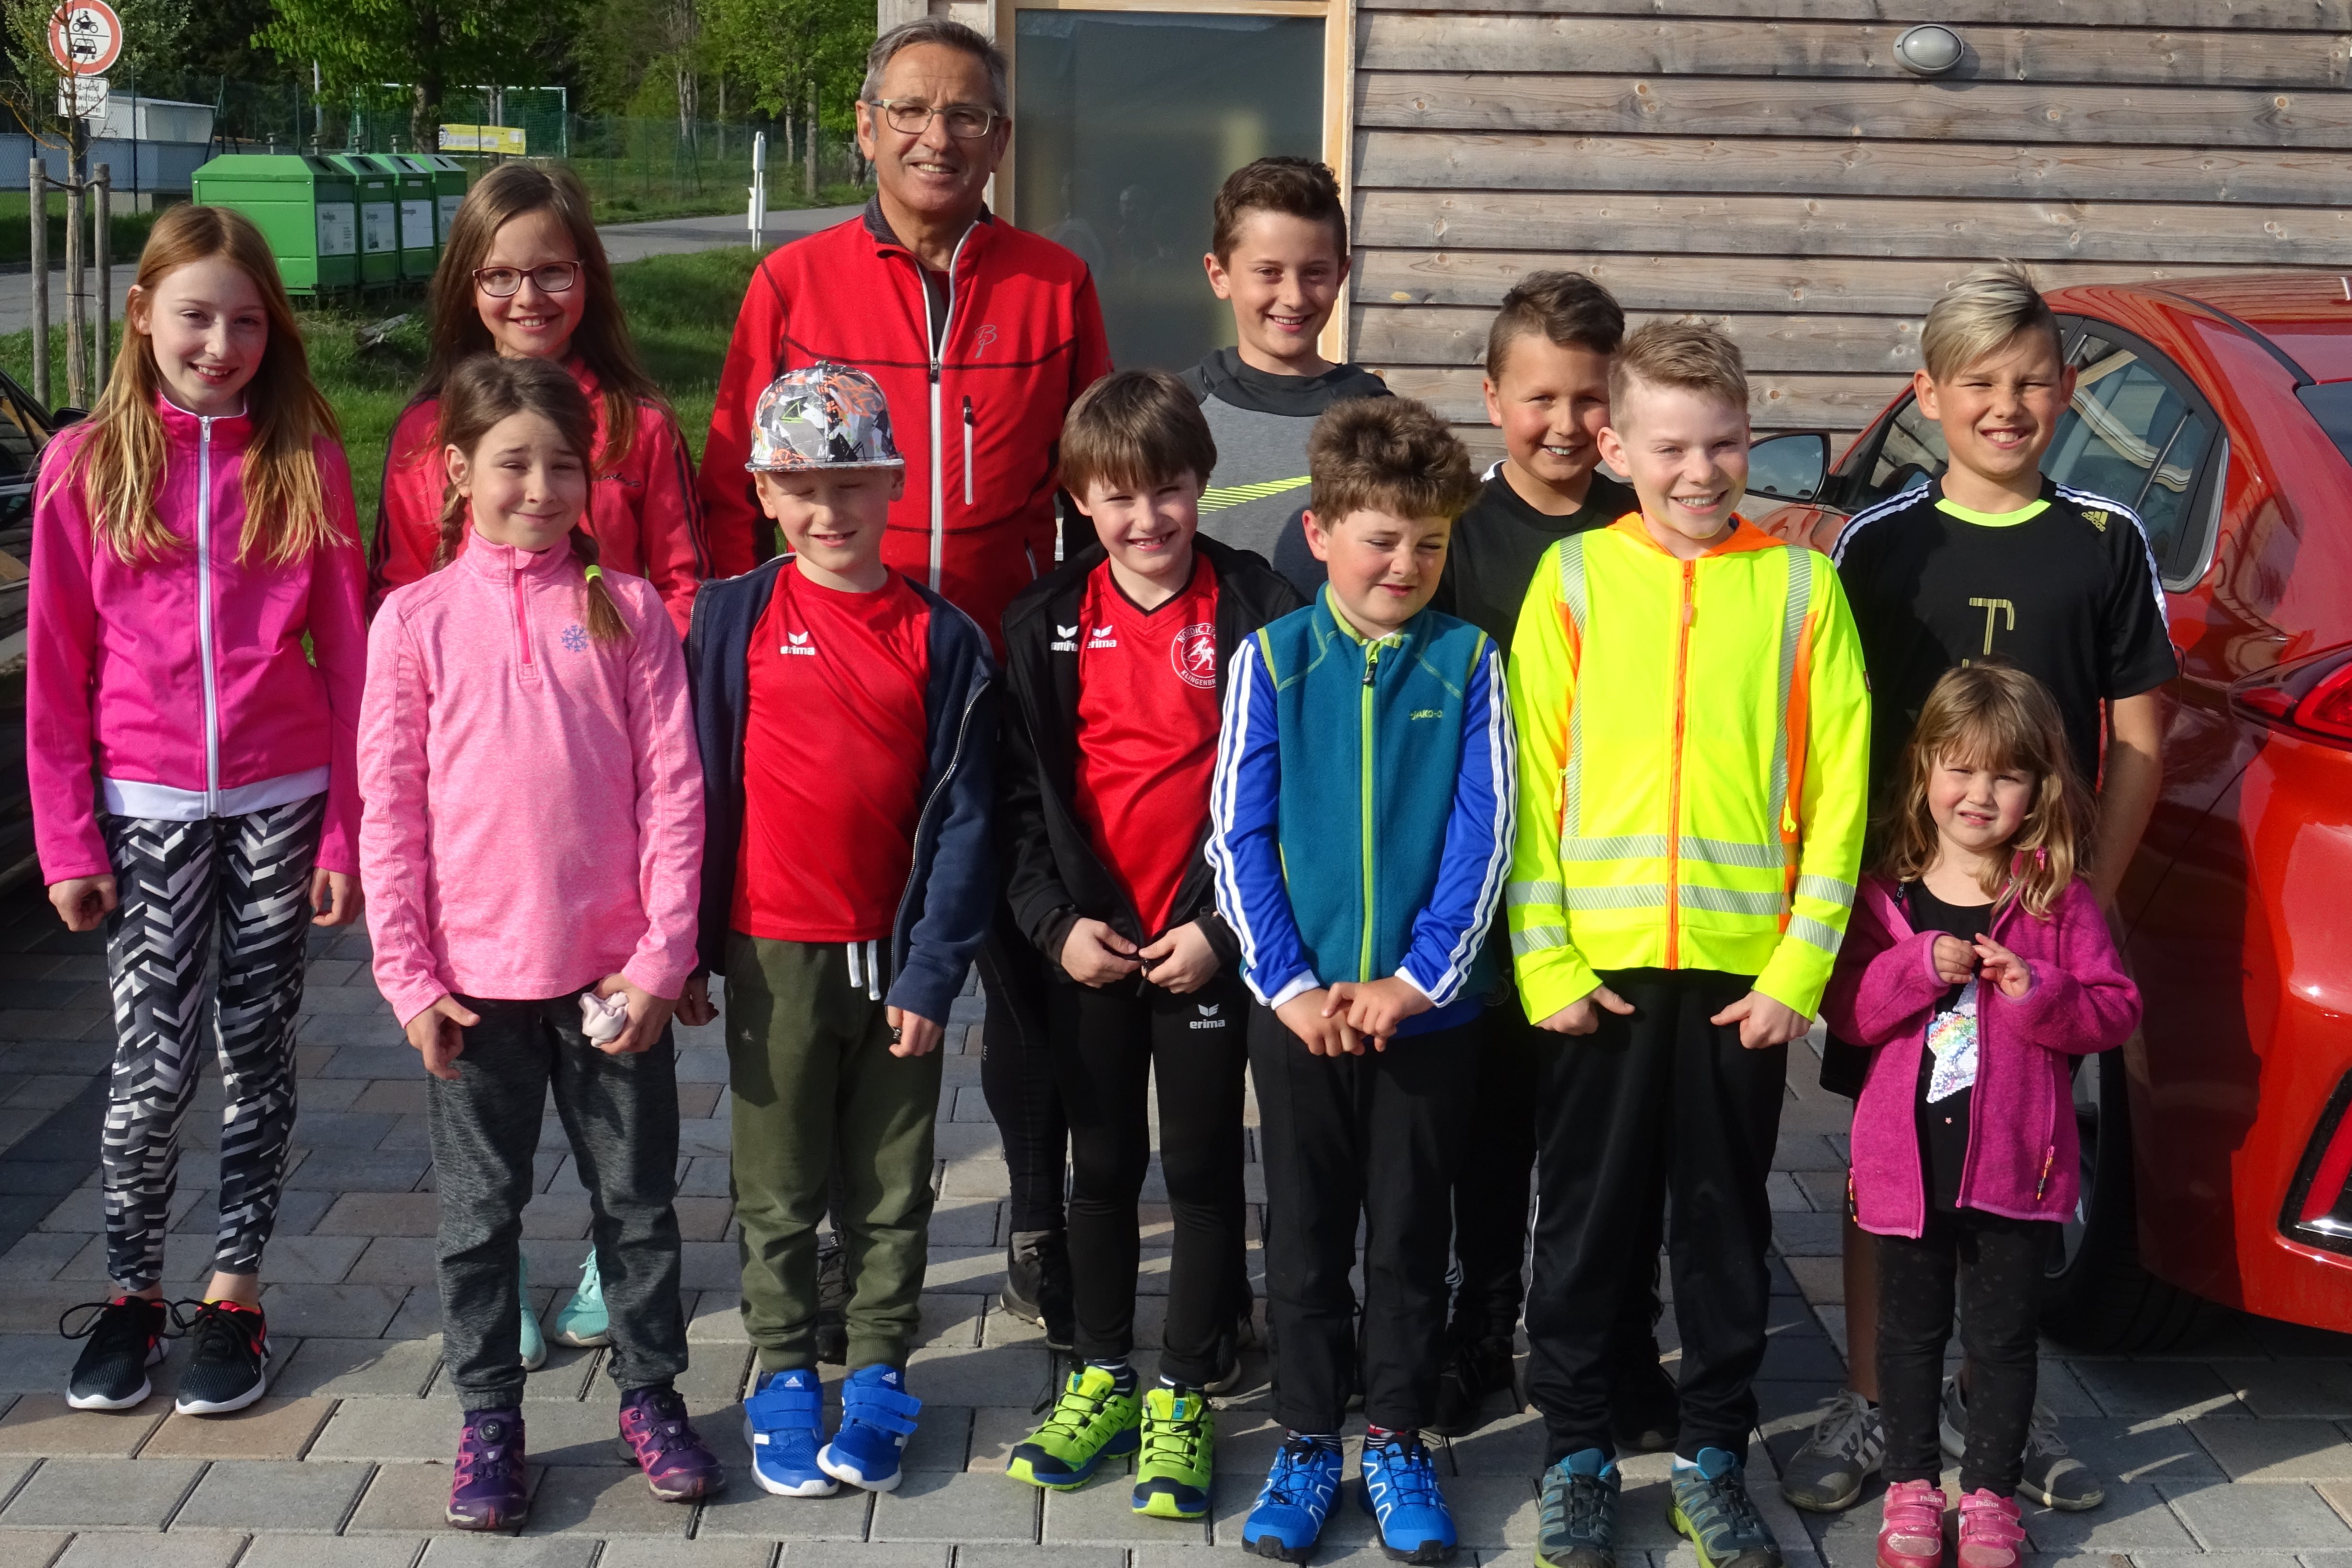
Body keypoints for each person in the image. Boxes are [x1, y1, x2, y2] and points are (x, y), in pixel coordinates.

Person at [700, 19, 1110, 1335]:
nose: (941, 136)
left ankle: (1038, 1220)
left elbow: (1094, 489)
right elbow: (730, 480)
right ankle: (838, 1232)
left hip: (1003, 683)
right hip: (838, 692)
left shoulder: (1054, 283)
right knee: (846, 982)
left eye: (970, 116)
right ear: (866, 126)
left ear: (1002, 138)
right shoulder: (793, 283)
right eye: (913, 111)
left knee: (1024, 969)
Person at [1783, 262, 2174, 1517]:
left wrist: (2079, 900)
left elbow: (2139, 740)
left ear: (2062, 391)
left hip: (2031, 935)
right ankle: (1870, 1394)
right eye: (1977, 384)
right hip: (1904, 919)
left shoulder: (2105, 543)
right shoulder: (1881, 544)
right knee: (1881, 1159)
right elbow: (1832, 735)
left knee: (2016, 1160)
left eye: (2028, 382)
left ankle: (1992, 1406)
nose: (2004, 406)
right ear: (1927, 395)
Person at [1505, 321, 1868, 1568]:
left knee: (1719, 1224)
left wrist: (1796, 974)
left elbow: (1839, 793)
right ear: (1615, 441)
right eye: (1670, 446)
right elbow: (1528, 792)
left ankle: (1715, 1449)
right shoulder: (1570, 582)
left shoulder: (1800, 588)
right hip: (1593, 980)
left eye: (1722, 444)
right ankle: (1575, 1450)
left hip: (1737, 984)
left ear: (1748, 436)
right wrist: (1545, 963)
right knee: (1585, 1224)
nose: (1699, 470)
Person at [362, 355, 720, 1530]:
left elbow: (675, 790)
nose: (541, 486)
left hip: (612, 983)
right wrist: (411, 979)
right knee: (480, 1219)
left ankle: (652, 1393)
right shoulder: (413, 623)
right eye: (512, 462)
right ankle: (489, 1416)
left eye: (564, 464)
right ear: (456, 472)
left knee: (637, 1205)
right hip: (473, 990)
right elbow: (392, 811)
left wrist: (665, 957)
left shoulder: (619, 609)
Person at [31, 205, 367, 1418]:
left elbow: (352, 655)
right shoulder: (87, 464)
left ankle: (234, 1294)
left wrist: (347, 832)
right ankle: (133, 1293)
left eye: (243, 321)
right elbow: (58, 673)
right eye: (195, 317)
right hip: (146, 808)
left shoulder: (305, 459)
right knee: (150, 1069)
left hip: (283, 804)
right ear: (143, 316)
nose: (219, 343)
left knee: (256, 1054)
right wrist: (68, 836)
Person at [1209, 397, 1513, 1565]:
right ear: (1320, 529)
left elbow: (1485, 835)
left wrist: (1419, 979)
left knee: (1406, 1236)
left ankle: (1393, 1434)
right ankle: (1302, 1436)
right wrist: (1285, 984)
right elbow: (1237, 831)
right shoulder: (1272, 660)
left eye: (1429, 543)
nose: (1405, 564)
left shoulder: (1469, 659)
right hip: (1299, 1014)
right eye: (1381, 538)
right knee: (1305, 1235)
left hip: (1427, 1017)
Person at [995, 370, 1301, 1520]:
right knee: (1105, 1165)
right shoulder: (1045, 621)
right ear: (1079, 500)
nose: (1145, 520)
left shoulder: (1257, 608)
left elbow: (1282, 797)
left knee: (1205, 1168)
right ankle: (1101, 1371)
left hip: (1204, 948)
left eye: (1166, 492)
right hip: (1093, 948)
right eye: (1116, 499)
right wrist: (1054, 926)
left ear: (1200, 484)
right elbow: (1019, 803)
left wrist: (1221, 930)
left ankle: (1184, 1388)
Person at [687, 364, 996, 1500]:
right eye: (802, 485)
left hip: (894, 960)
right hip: (770, 951)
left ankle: (874, 1372)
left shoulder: (944, 638)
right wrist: (682, 945)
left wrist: (933, 968)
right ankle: (780, 1373)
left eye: (853, 483)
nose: (830, 510)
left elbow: (965, 825)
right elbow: (685, 792)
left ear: (894, 484)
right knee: (776, 1187)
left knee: (888, 1184)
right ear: (766, 490)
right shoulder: (733, 620)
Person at [1424, 270, 1672, 1447]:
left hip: (1610, 895)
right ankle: (1479, 1323)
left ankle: (1611, 1332)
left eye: (1587, 400)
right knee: (1490, 1133)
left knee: (1604, 1142)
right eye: (1540, 400)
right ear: (1491, 398)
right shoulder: (1459, 539)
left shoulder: (1648, 536)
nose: (1565, 426)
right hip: (1484, 892)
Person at [1824, 665, 2139, 1568]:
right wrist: (1918, 964)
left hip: (2016, 1169)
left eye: (2005, 775)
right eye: (1959, 770)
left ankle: (1993, 1494)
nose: (1979, 794)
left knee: (2001, 1341)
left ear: (2038, 788)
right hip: (1906, 1168)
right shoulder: (1886, 897)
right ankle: (1912, 1486)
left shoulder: (2056, 898)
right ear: (1924, 770)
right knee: (1908, 1335)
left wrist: (2035, 989)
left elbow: (2114, 1007)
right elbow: (1845, 1009)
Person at [369, 162, 711, 638]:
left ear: (588, 276)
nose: (528, 296)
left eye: (553, 271)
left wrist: (645, 681)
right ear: (468, 287)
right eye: (501, 275)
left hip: (611, 702)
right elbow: (397, 588)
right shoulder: (427, 426)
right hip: (465, 705)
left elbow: (685, 586)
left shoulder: (640, 423)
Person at [1186, 156, 1390, 598]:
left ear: (1341, 275)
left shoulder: (1380, 418)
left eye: (1314, 272)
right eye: (1269, 273)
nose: (1294, 297)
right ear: (1219, 275)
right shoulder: (1177, 413)